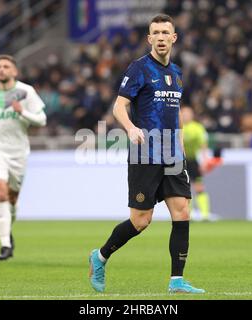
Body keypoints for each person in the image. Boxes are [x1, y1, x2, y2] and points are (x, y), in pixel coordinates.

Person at [88, 14, 205, 294]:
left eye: (166, 32)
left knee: (182, 211)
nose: (162, 37)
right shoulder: (139, 68)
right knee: (141, 221)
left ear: (174, 38)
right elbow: (119, 106)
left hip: (173, 154)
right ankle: (100, 256)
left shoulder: (176, 73)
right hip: (145, 154)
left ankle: (176, 280)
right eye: (156, 33)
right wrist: (129, 128)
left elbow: (173, 116)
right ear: (149, 38)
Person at [0, 55, 46, 261]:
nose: (1, 70)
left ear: (14, 71)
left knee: (12, 199)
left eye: (6, 67)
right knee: (1, 192)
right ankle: (5, 244)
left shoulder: (26, 92)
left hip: (18, 152)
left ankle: (8, 231)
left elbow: (41, 120)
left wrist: (22, 111)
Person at [181, 106, 211, 221]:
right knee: (185, 189)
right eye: (184, 113)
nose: (186, 116)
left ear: (192, 115)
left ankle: (205, 214)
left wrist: (205, 160)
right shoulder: (177, 126)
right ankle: (188, 214)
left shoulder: (197, 128)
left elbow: (203, 145)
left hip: (193, 160)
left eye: (188, 114)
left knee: (199, 186)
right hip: (181, 160)